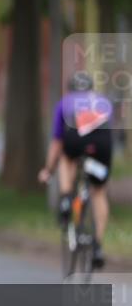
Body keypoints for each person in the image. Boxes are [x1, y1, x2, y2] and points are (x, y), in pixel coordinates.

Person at [38, 72, 114, 268]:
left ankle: (65, 198)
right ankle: (97, 246)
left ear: (70, 89)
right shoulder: (103, 102)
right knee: (99, 193)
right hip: (101, 145)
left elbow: (57, 142)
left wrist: (48, 170)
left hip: (75, 139)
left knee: (66, 158)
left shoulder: (64, 103)